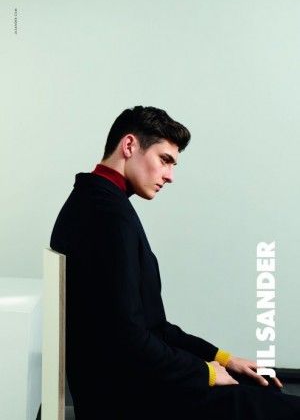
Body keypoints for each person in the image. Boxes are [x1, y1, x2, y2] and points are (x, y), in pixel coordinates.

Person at [50, 106, 300, 419]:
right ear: (129, 146)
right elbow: (127, 340)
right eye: (165, 159)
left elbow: (152, 325)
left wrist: (223, 359)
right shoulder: (107, 216)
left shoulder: (98, 201)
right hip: (128, 399)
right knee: (283, 406)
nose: (170, 176)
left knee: (263, 388)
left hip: (132, 385)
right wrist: (204, 372)